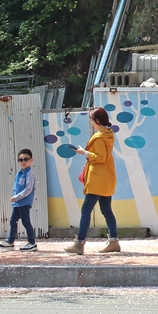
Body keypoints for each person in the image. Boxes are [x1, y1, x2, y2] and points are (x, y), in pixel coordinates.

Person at [64, 107, 120, 254]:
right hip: (106, 177)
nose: (91, 122)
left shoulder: (100, 137)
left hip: (97, 179)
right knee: (107, 210)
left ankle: (79, 243)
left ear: (97, 120)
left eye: (91, 119)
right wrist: (87, 152)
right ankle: (113, 241)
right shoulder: (108, 134)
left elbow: (101, 157)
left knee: (86, 210)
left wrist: (85, 153)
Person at [0, 148, 37, 251]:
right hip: (17, 203)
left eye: (26, 159)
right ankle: (10, 241)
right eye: (21, 160)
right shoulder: (20, 172)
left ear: (31, 160)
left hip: (23, 202)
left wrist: (17, 197)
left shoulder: (29, 174)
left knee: (26, 221)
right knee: (13, 220)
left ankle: (32, 242)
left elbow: (28, 189)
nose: (23, 162)